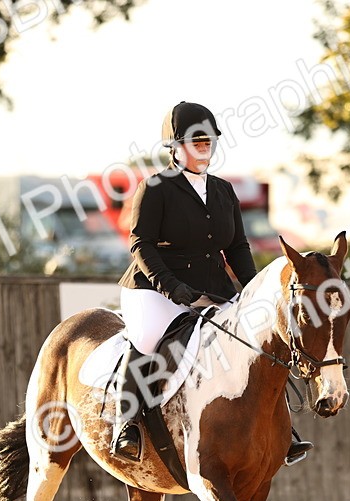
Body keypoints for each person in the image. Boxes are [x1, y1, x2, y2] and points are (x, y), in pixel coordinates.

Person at [111, 100, 315, 465]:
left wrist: (254, 293)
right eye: (196, 141)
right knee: (146, 338)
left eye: (208, 141)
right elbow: (140, 243)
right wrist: (171, 287)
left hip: (209, 288)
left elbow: (236, 245)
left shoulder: (222, 191)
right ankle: (125, 425)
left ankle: (285, 432)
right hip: (155, 288)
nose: (204, 147)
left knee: (255, 343)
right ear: (175, 147)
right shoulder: (155, 188)